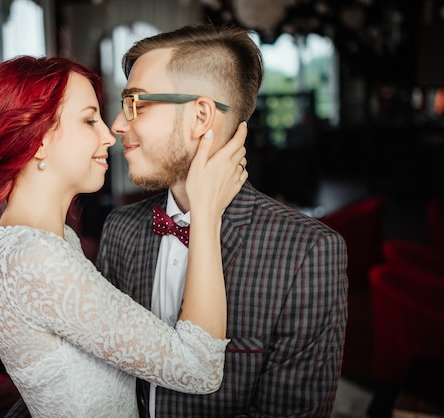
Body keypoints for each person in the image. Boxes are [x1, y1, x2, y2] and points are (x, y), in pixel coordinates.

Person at [0, 55, 249, 417]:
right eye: (88, 119)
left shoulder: (43, 241)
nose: (108, 135)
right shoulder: (37, 260)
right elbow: (198, 369)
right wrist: (205, 211)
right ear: (40, 139)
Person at [97, 24, 349, 417]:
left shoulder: (307, 253)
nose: (117, 124)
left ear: (201, 116)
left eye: (135, 104)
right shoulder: (121, 230)